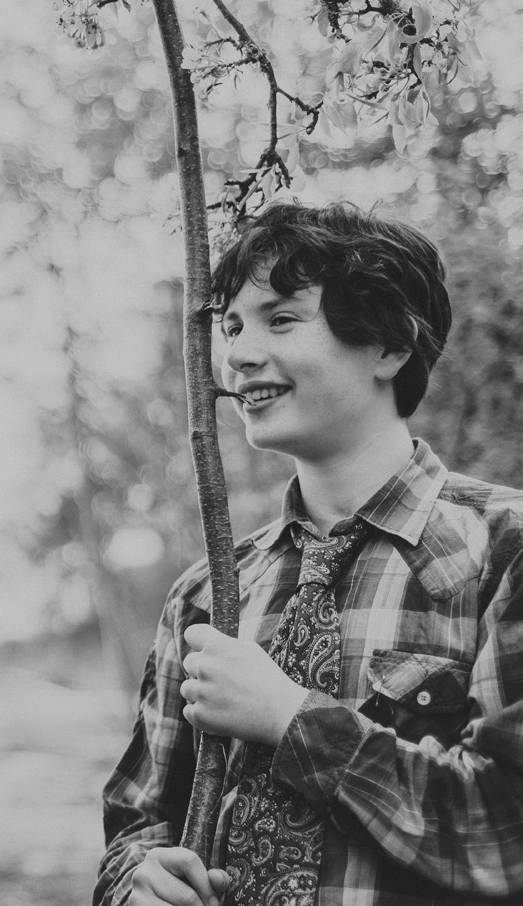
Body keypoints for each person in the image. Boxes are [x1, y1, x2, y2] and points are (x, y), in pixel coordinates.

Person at [96, 202, 523, 906]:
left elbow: (507, 829)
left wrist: (294, 718)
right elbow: (136, 819)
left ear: (389, 345)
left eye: (280, 318)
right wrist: (133, 881)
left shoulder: (502, 552)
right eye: (230, 327)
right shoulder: (206, 594)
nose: (235, 354)